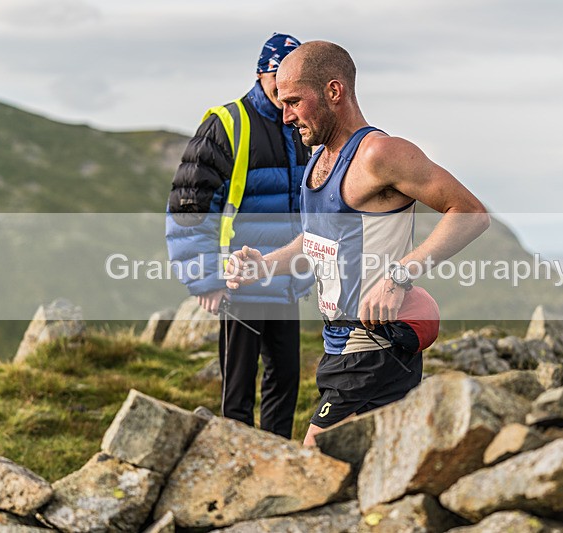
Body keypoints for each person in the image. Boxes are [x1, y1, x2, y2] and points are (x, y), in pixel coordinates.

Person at [225, 40, 490, 446]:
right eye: (281, 102)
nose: (285, 115)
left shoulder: (381, 154)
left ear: (334, 91)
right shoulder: (318, 158)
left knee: (314, 455)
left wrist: (399, 275)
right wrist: (263, 265)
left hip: (374, 346)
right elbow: (317, 241)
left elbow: (469, 213)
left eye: (294, 101)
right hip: (339, 346)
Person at [165, 33, 311, 439]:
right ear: (262, 74)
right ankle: (236, 460)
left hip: (285, 279)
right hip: (238, 280)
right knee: (239, 389)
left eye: (294, 87)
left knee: (285, 381)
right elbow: (188, 206)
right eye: (279, 84)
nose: (286, 97)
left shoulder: (300, 124)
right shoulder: (227, 123)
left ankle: (277, 458)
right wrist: (205, 277)